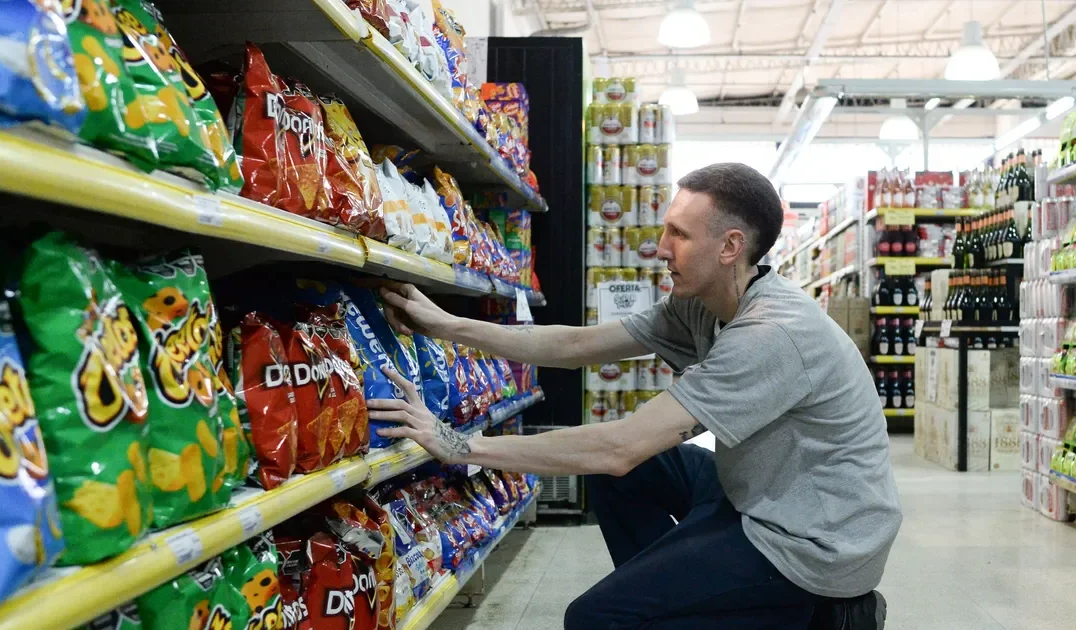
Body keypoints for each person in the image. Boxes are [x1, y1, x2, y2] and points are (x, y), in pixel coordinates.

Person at [367, 162, 901, 629]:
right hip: (763, 486)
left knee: (596, 618)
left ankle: (806, 616)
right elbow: (579, 344)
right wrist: (447, 324)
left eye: (679, 234)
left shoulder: (770, 335)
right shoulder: (702, 301)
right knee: (625, 489)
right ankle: (685, 600)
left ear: (731, 246)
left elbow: (618, 447)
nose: (661, 247)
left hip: (815, 543)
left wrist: (461, 446)